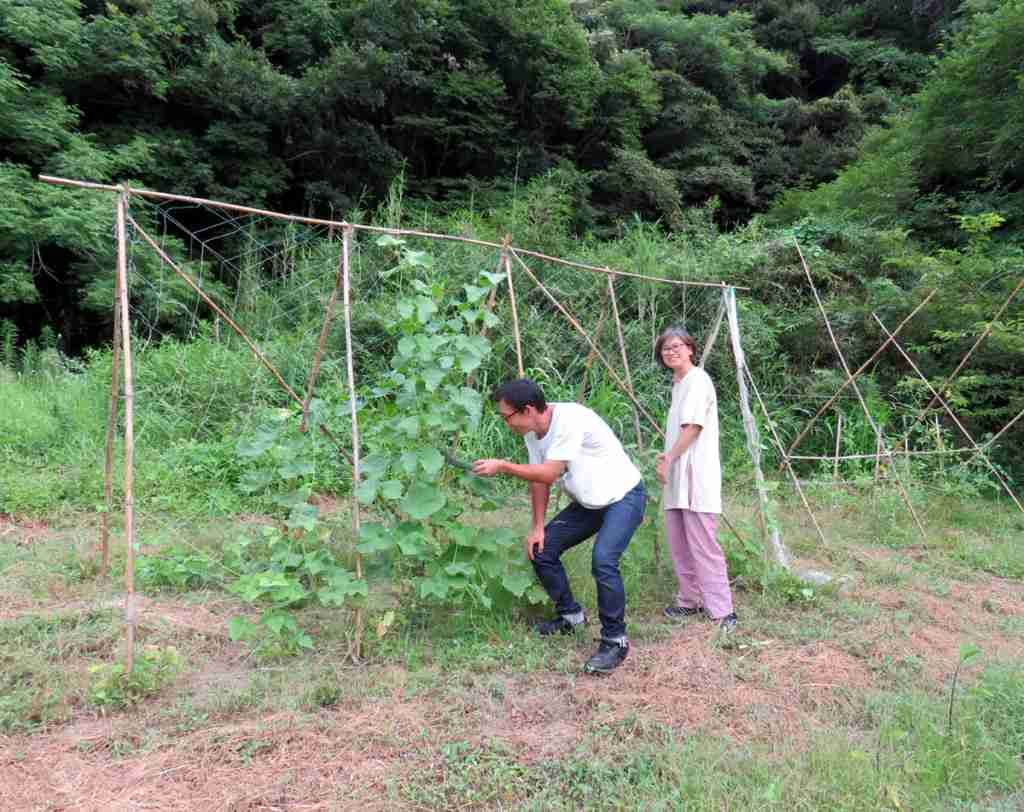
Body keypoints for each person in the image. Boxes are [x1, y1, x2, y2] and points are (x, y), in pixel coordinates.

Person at [472, 378, 646, 674]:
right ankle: (570, 617)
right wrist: (537, 526)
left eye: (506, 417)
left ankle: (615, 640)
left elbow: (550, 472)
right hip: (589, 503)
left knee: (604, 561)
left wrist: (503, 466)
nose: (505, 423)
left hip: (623, 497)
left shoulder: (569, 420)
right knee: (542, 549)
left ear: (527, 410)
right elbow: (539, 480)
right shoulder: (533, 432)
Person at [654, 327, 737, 632]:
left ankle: (723, 611)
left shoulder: (697, 380)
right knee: (680, 542)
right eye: (665, 349)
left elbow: (693, 427)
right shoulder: (679, 385)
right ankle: (690, 601)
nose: (671, 352)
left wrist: (669, 458)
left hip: (695, 475)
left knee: (703, 543)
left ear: (690, 349)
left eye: (676, 346)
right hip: (678, 479)